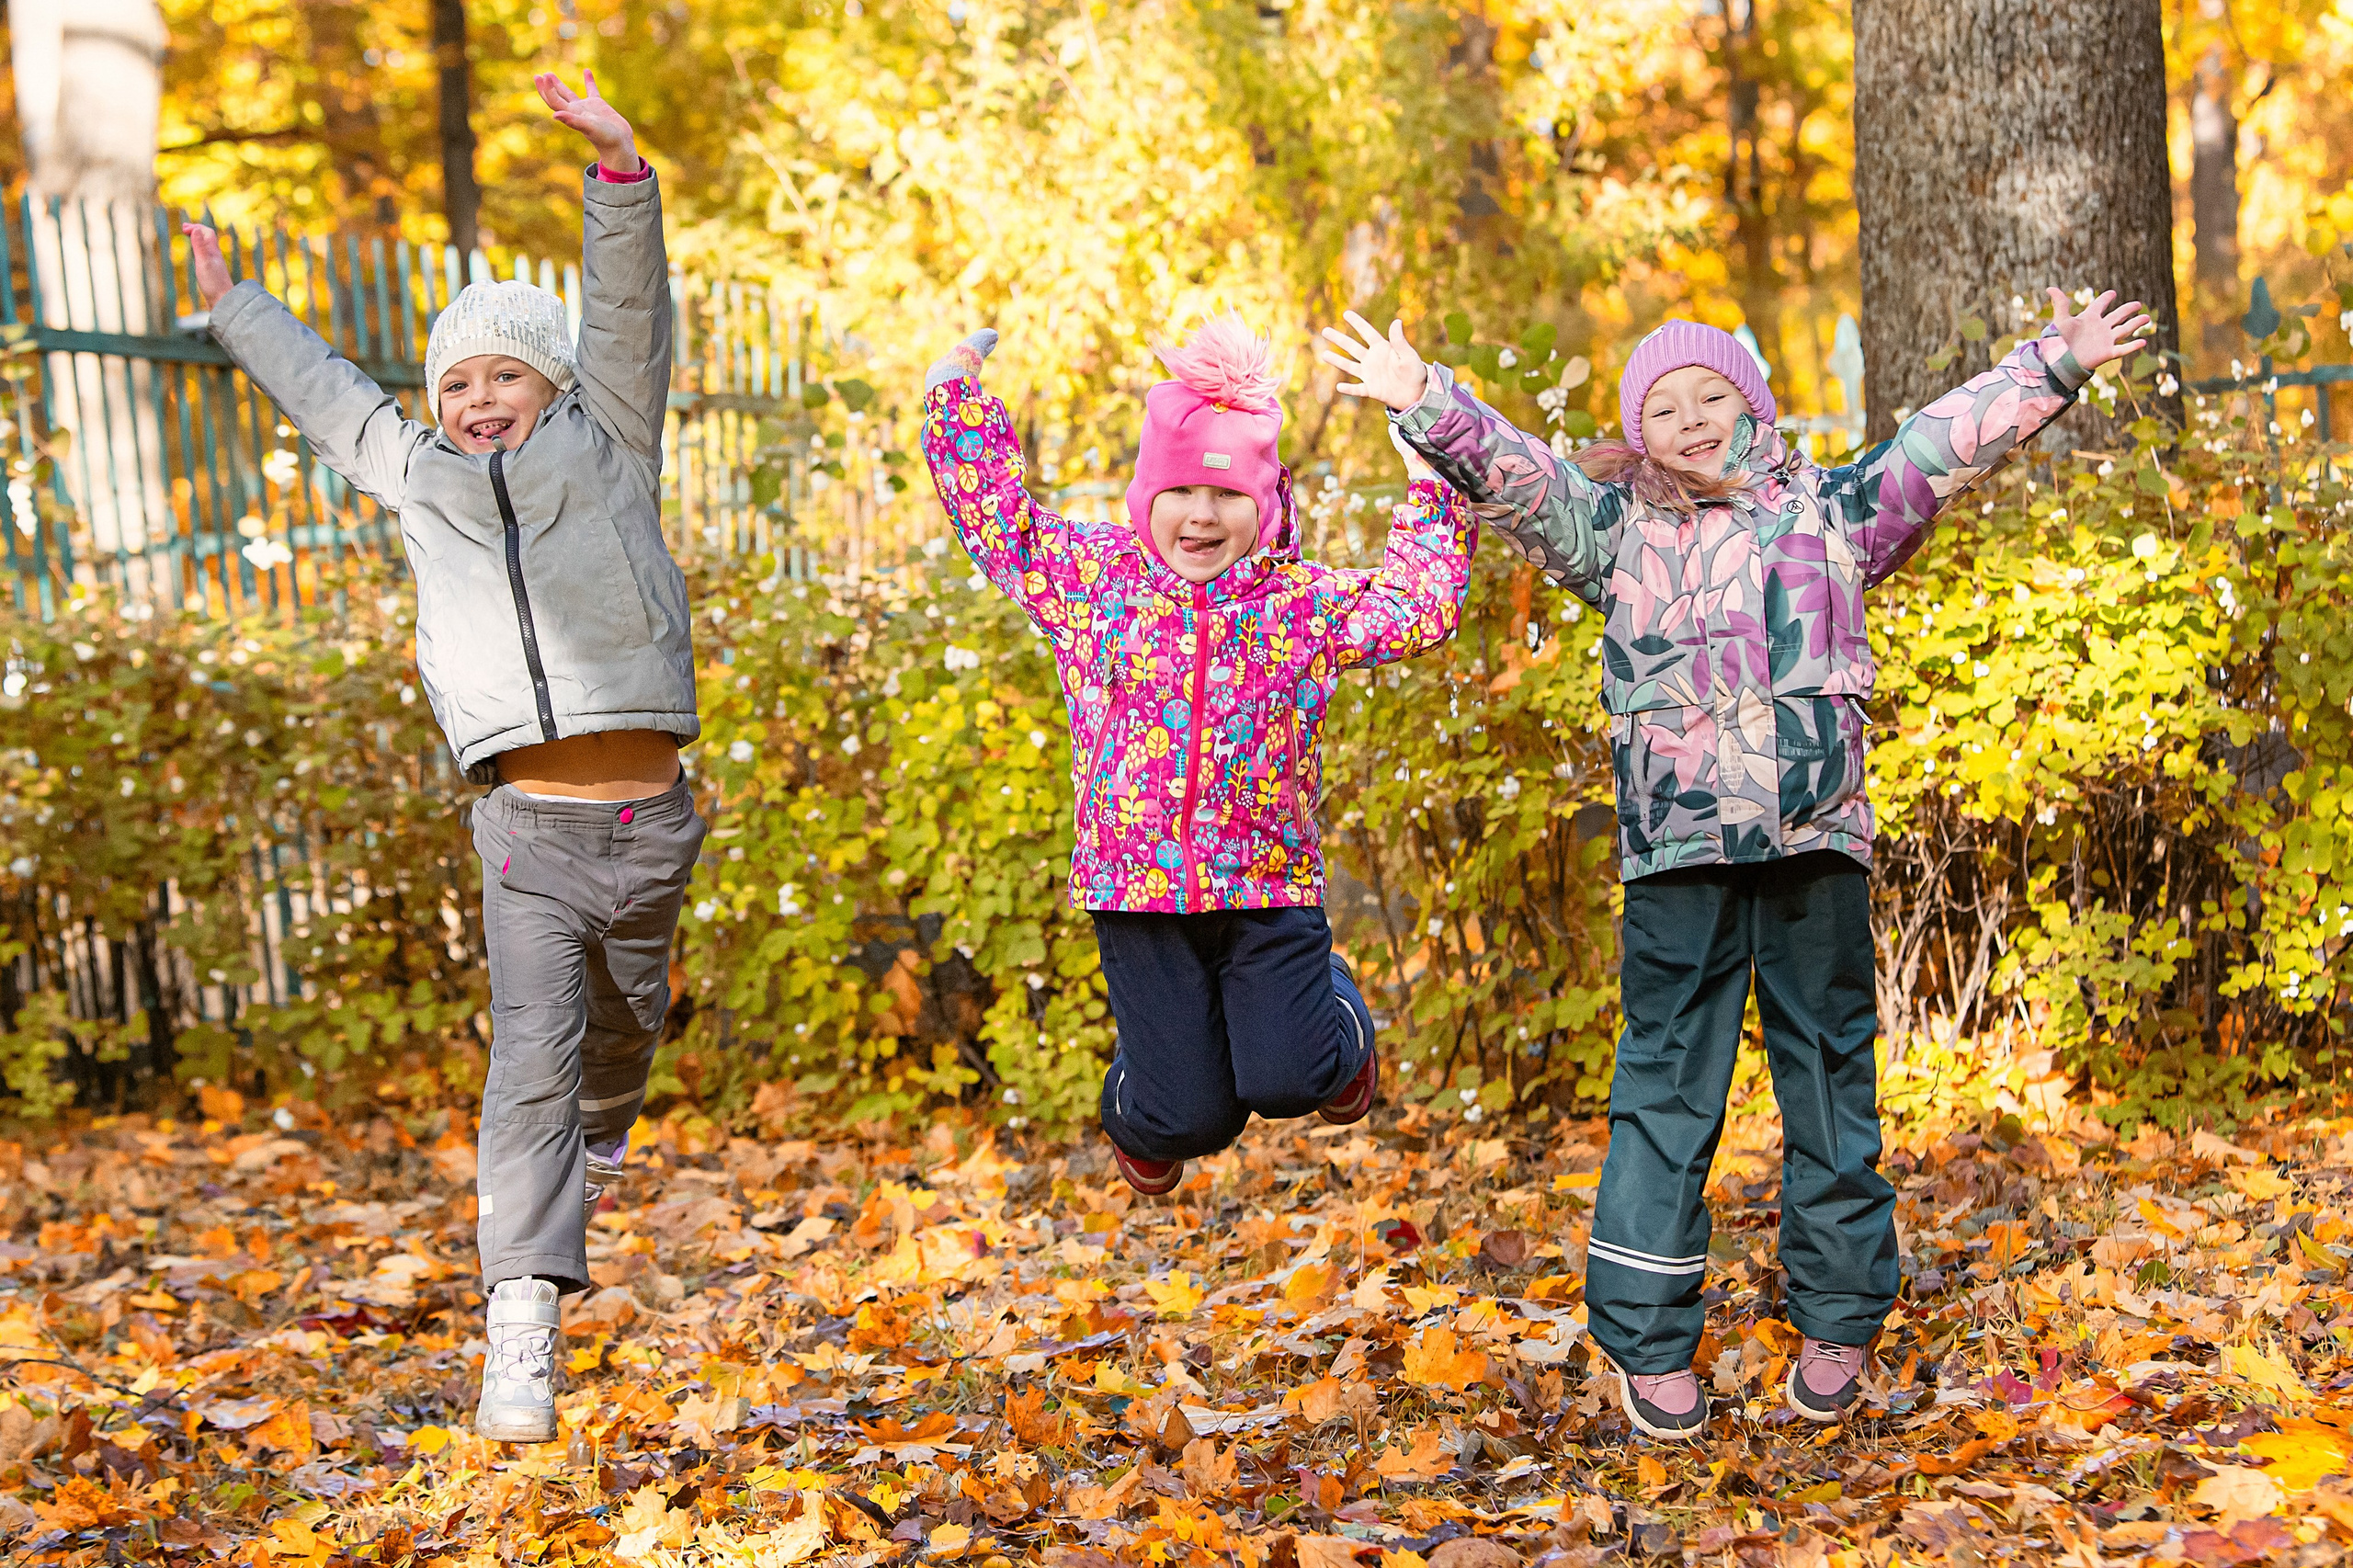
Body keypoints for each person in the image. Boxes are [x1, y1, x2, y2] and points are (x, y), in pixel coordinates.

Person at [1322, 290, 2151, 1437]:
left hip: (1816, 841)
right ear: (1639, 430)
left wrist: (2055, 363)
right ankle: (1648, 1336)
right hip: (1681, 856)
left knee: (1827, 1080)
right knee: (1666, 1088)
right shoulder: (1613, 531)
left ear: (1752, 405)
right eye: (1664, 407)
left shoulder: (1834, 512)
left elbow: (1939, 444)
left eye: (1713, 395)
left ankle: (1840, 1315)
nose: (1693, 418)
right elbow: (1518, 478)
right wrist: (1427, 401)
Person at [190, 70, 705, 1445]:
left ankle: (602, 1134)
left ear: (552, 384)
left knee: (625, 1028)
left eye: (505, 374)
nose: (479, 398)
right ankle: (520, 1330)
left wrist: (617, 170)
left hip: (649, 827)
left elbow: (627, 312)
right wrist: (238, 304)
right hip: (527, 833)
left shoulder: (610, 445)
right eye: (459, 379)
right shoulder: (414, 474)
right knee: (526, 1065)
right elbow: (329, 394)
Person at [920, 318, 1476, 1195]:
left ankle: (1332, 1014)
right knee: (1189, 1118)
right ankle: (1152, 1106)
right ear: (1148, 495)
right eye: (1181, 491)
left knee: (1290, 1079)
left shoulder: (1297, 604)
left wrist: (1429, 458)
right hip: (1137, 892)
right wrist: (957, 396)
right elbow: (997, 520)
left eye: (1228, 496)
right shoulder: (1092, 580)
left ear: (1267, 501)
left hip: (1266, 887)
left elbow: (1419, 605)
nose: (1203, 515)